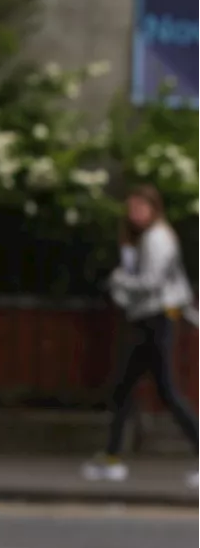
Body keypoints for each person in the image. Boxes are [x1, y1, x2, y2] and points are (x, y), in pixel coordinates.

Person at [81, 185, 200, 490]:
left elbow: (152, 282)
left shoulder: (158, 238)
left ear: (153, 208)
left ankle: (112, 459)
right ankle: (111, 458)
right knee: (125, 389)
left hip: (157, 319)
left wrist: (120, 281)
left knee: (166, 392)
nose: (135, 215)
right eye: (131, 209)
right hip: (149, 318)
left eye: (140, 208)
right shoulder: (148, 237)